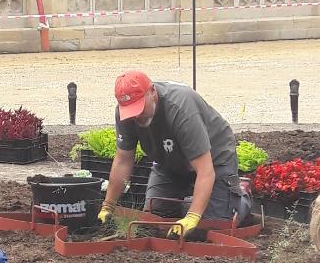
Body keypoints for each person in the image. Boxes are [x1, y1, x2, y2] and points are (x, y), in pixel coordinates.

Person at [98, 69, 243, 239]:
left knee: (208, 227)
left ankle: (239, 200)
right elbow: (123, 160)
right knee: (155, 218)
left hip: (214, 159)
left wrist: (192, 216)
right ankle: (193, 202)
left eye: (139, 107)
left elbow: (205, 170)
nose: (136, 115)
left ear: (152, 92)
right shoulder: (126, 114)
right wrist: (108, 205)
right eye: (130, 111)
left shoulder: (180, 108)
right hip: (169, 163)